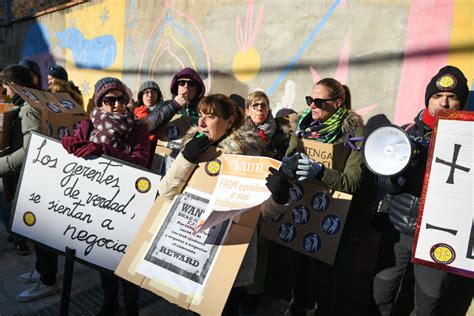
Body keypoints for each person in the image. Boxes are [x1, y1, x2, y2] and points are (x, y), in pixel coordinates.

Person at [158, 94, 291, 316]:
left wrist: (278, 197)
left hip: (228, 256)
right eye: (200, 115)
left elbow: (260, 215)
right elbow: (166, 192)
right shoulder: (193, 147)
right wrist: (186, 160)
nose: (201, 122)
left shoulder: (248, 156)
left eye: (209, 117)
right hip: (191, 249)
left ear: (229, 121)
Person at [372, 66, 470, 316]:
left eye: (452, 97)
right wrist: (396, 180)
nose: (444, 103)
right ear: (428, 99)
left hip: (439, 236)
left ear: (462, 102)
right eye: (437, 96)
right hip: (399, 230)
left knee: (428, 304)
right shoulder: (406, 132)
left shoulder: (469, 140)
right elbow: (384, 181)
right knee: (381, 295)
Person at [59, 77, 149, 315]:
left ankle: (132, 306)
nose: (117, 105)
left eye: (121, 99)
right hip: (97, 201)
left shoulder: (138, 128)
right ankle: (110, 302)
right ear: (100, 103)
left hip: (128, 204)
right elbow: (77, 147)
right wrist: (67, 144)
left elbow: (140, 163)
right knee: (102, 253)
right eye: (110, 100)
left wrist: (104, 151)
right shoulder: (89, 124)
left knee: (127, 258)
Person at [283, 78, 364, 315]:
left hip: (331, 217)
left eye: (319, 101)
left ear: (338, 103)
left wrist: (320, 172)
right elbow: (288, 159)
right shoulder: (303, 126)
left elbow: (352, 182)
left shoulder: (352, 132)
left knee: (324, 281)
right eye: (310, 100)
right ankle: (297, 307)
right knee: (297, 272)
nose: (312, 106)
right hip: (300, 209)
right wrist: (287, 165)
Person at [242, 90, 293, 312]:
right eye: (255, 105)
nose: (260, 109)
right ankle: (238, 290)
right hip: (243, 193)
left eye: (264, 105)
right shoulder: (239, 134)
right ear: (247, 110)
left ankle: (254, 293)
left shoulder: (280, 135)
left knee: (261, 246)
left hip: (269, 194)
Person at [0, 65, 41, 257]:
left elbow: (30, 149)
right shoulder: (35, 102)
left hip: (25, 176)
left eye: (6, 88)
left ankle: (44, 276)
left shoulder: (28, 110)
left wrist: (2, 164)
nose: (6, 93)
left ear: (14, 86)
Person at [134, 80, 184, 166]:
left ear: (158, 95)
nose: (150, 95)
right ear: (140, 96)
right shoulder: (138, 111)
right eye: (146, 92)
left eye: (153, 92)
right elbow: (148, 126)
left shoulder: (165, 109)